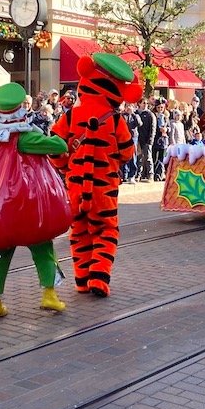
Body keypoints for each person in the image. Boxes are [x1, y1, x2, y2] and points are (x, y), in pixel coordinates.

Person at [0, 83, 71, 320]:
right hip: (27, 207)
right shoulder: (25, 138)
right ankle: (49, 294)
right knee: (42, 247)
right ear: (20, 110)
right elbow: (60, 145)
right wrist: (39, 132)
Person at [51, 53, 141, 296]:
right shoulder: (115, 121)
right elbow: (128, 153)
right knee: (106, 231)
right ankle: (99, 278)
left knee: (79, 233)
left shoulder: (69, 116)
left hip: (76, 188)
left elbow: (55, 147)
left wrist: (65, 166)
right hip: (104, 189)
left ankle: (82, 280)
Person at [136, 98, 155, 182]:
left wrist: (150, 139)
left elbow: (153, 128)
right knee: (138, 158)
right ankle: (138, 175)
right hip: (137, 139)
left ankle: (150, 174)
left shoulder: (150, 114)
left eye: (147, 103)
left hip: (147, 139)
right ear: (139, 104)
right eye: (143, 103)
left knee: (148, 157)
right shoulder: (135, 113)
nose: (145, 104)